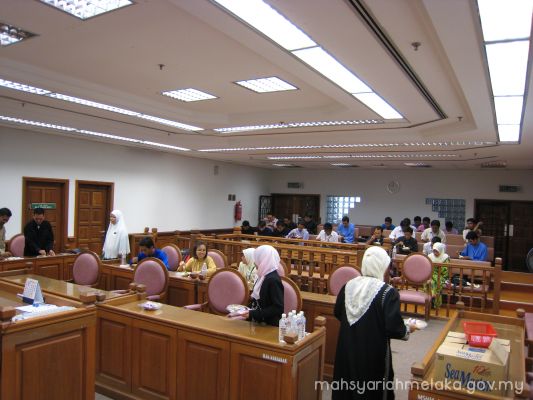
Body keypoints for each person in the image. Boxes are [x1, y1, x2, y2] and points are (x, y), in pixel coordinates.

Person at [332, 246, 416, 400]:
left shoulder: (348, 285)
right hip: (372, 353)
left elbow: (338, 312)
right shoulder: (388, 292)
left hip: (347, 347)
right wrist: (408, 328)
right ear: (382, 266)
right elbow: (394, 328)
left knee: (346, 383)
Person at [240, 245, 283, 326]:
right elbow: (257, 301)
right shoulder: (263, 276)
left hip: (269, 325)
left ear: (264, 260)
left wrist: (253, 314)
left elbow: (278, 308)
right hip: (258, 320)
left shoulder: (273, 280)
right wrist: (243, 310)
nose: (254, 263)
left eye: (257, 259)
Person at [427, 242, 449, 309]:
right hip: (430, 274)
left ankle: (435, 302)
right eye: (434, 251)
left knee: (435, 282)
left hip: (441, 275)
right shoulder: (430, 256)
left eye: (436, 251)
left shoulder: (445, 257)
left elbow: (445, 270)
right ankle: (429, 302)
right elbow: (427, 267)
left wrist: (436, 271)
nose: (435, 253)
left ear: (440, 250)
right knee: (428, 282)